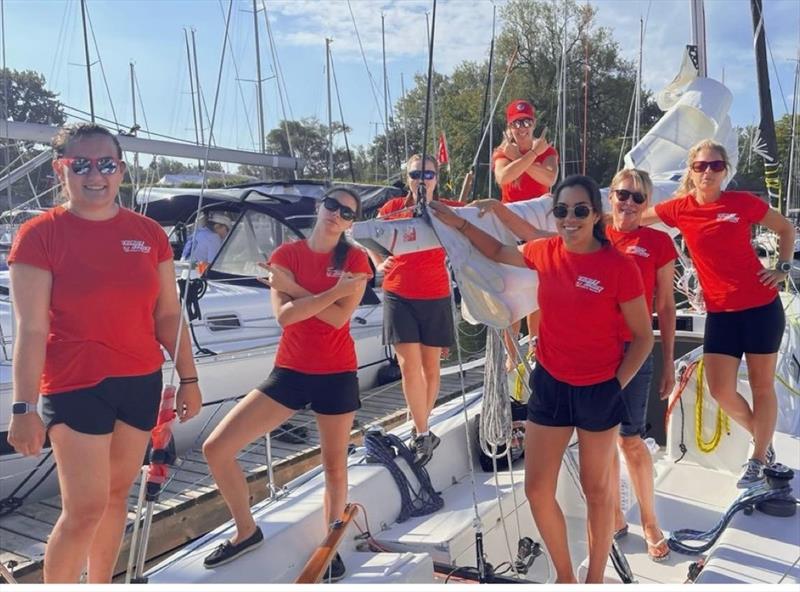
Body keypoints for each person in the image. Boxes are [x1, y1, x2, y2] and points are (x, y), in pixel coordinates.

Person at [430, 175, 653, 583]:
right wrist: (458, 224)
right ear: (555, 216)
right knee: (536, 489)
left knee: (598, 492)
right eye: (562, 211)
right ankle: (566, 576)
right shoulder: (544, 251)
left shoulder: (619, 267)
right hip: (550, 385)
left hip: (598, 390)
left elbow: (642, 338)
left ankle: (595, 579)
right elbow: (498, 251)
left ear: (596, 215)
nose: (570, 219)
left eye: (580, 210)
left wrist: (614, 385)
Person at [7, 122, 202, 583]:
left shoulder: (149, 233)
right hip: (76, 384)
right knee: (85, 508)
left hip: (139, 381)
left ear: (121, 169)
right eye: (82, 165)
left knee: (116, 497)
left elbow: (168, 317)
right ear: (62, 170)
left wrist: (189, 378)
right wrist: (23, 407)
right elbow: (30, 328)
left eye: (107, 164)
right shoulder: (40, 235)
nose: (95, 175)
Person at [201, 187, 370, 579]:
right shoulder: (286, 256)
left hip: (336, 372)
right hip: (290, 372)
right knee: (216, 448)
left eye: (346, 212)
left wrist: (294, 288)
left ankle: (331, 545)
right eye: (332, 205)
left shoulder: (356, 258)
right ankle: (246, 530)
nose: (336, 215)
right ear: (318, 206)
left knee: (334, 467)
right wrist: (333, 293)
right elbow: (285, 317)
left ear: (351, 223)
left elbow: (338, 320)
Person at [641, 139, 795, 487]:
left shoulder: (740, 203)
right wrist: (586, 220)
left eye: (715, 166)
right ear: (691, 172)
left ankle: (757, 459)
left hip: (760, 308)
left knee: (762, 386)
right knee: (721, 389)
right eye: (700, 166)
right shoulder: (679, 209)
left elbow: (786, 228)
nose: (708, 171)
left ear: (724, 171)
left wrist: (782, 267)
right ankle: (764, 438)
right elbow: (632, 218)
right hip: (721, 313)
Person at [366, 154, 464, 466]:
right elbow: (366, 234)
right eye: (416, 173)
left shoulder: (445, 209)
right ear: (407, 176)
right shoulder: (393, 209)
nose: (423, 179)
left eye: (429, 174)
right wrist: (379, 261)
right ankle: (422, 432)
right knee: (409, 366)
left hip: (435, 294)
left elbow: (477, 219)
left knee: (430, 369)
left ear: (437, 177)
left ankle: (422, 423)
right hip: (399, 293)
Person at [605, 169, 676, 562]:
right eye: (622, 195)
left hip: (635, 347)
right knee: (601, 440)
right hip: (593, 350)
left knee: (630, 439)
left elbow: (665, 305)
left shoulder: (658, 242)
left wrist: (667, 362)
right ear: (611, 198)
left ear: (646, 204)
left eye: (637, 198)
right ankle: (615, 516)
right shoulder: (594, 235)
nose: (628, 204)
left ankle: (649, 520)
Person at [491, 99, 559, 368]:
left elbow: (549, 179)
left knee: (538, 289)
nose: (522, 127)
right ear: (509, 126)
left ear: (533, 123)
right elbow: (503, 178)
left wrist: (521, 157)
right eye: (517, 122)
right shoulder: (502, 152)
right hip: (509, 228)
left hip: (538, 228)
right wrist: (529, 157)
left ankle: (534, 345)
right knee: (511, 288)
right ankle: (511, 355)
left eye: (527, 122)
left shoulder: (547, 151)